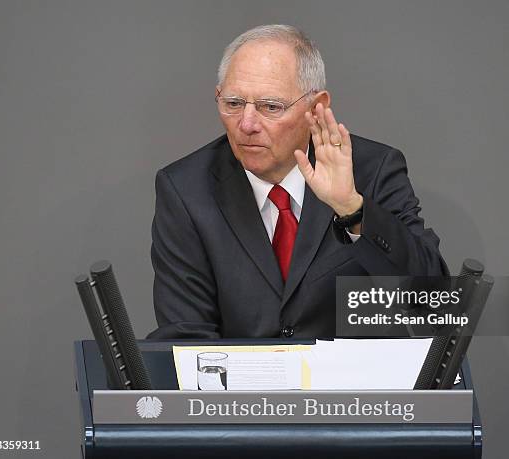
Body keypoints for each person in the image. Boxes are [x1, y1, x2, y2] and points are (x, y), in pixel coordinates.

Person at [148, 24, 447, 339]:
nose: (246, 125)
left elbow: (433, 305)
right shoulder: (185, 189)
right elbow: (184, 336)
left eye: (271, 107)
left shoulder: (371, 170)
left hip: (352, 385)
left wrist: (353, 210)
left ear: (317, 107)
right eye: (234, 104)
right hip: (242, 387)